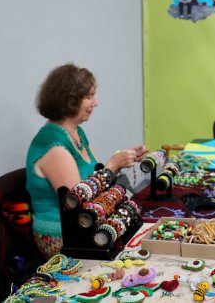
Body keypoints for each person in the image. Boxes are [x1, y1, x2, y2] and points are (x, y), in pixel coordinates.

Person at [26, 64, 147, 259]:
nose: (95, 102)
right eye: (89, 97)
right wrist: (112, 165)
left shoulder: (76, 133)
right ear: (70, 100)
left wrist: (121, 162)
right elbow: (79, 207)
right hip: (62, 236)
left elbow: (96, 181)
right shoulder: (54, 146)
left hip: (82, 224)